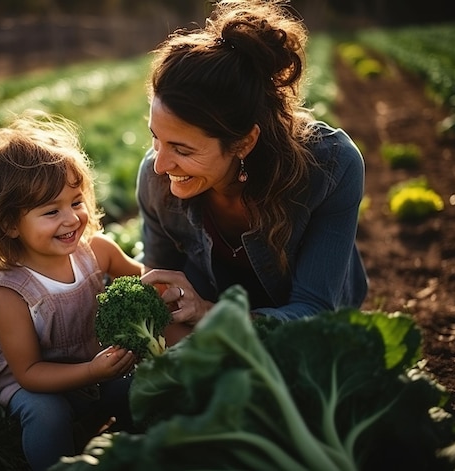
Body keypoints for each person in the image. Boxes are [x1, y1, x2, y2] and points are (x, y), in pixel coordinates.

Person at [137, 0, 368, 342]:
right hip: (206, 337)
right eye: (157, 139)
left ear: (243, 143)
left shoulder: (330, 167)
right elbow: (158, 280)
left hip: (303, 341)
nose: (160, 164)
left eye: (182, 149)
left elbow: (314, 310)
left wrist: (208, 314)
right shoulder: (156, 178)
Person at [0, 110, 142, 471]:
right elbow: (29, 372)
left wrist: (158, 292)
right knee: (48, 413)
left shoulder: (98, 251)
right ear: (9, 224)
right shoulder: (11, 295)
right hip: (34, 383)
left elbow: (143, 279)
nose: (71, 219)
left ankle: (138, 449)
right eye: (51, 211)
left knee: (134, 386)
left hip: (92, 366)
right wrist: (93, 372)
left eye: (76, 202)